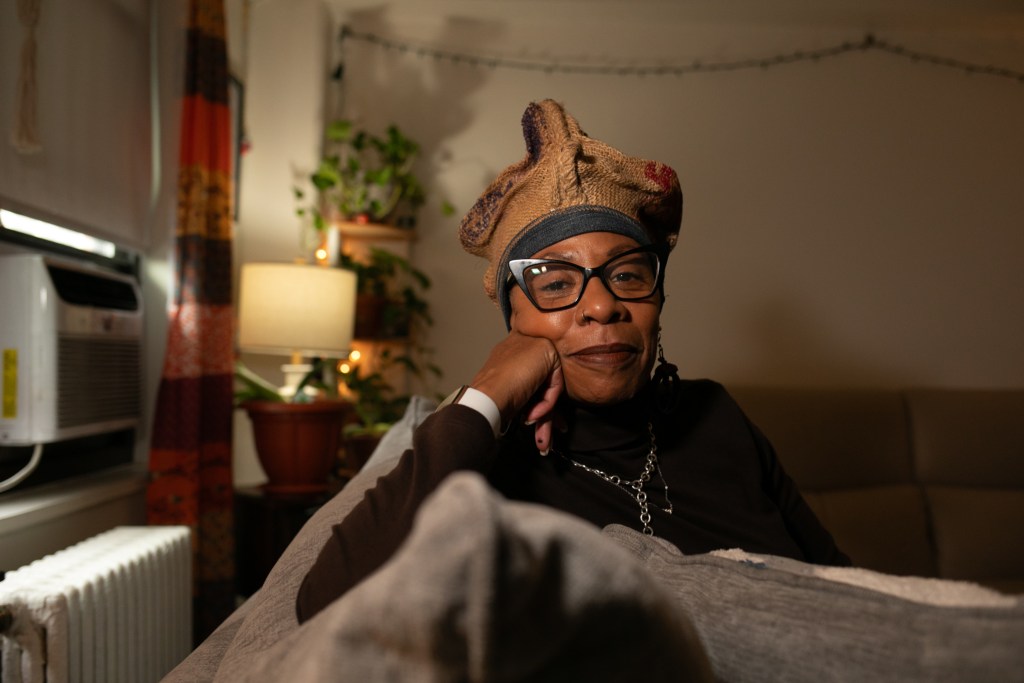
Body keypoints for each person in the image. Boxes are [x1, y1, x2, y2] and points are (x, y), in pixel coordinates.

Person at [296, 99, 849, 623]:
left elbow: (851, 593)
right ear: (514, 321)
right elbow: (326, 607)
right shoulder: (477, 460)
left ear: (657, 301)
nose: (603, 305)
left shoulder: (716, 416)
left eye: (628, 274)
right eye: (557, 283)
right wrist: (487, 393)